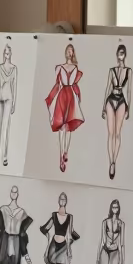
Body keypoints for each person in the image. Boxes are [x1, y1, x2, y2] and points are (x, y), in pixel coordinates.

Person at [45, 43, 84, 173]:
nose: (69, 52)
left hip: (71, 96)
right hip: (62, 95)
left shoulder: (75, 67)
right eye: (68, 50)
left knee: (68, 127)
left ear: (73, 53)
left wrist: (78, 98)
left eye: (71, 50)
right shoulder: (59, 67)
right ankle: (61, 156)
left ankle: (66, 150)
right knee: (62, 127)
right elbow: (57, 83)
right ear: (65, 52)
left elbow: (75, 85)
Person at [102, 43, 132, 180]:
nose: (121, 56)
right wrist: (103, 106)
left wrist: (129, 108)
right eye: (119, 53)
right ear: (116, 54)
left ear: (125, 55)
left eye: (122, 53)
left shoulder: (128, 71)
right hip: (110, 99)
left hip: (121, 101)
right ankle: (111, 162)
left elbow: (129, 91)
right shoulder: (111, 70)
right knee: (111, 133)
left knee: (118, 133)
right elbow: (108, 87)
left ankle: (114, 161)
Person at [0, 44, 18, 166]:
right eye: (5, 52)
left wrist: (14, 103)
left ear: (11, 54)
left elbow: (15, 86)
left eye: (9, 52)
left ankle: (5, 156)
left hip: (9, 98)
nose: (7, 54)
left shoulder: (14, 68)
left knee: (6, 128)